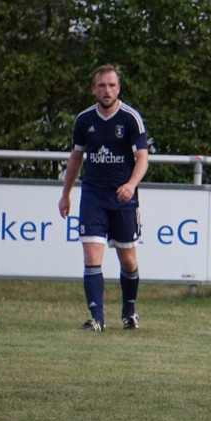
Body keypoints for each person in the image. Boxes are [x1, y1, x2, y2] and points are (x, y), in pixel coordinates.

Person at [58, 64, 149, 331]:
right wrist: (66, 194)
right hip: (94, 195)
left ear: (118, 88)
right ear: (93, 89)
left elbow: (142, 158)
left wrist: (131, 185)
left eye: (112, 85)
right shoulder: (84, 121)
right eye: (102, 85)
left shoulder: (131, 118)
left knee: (128, 260)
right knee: (91, 255)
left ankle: (129, 311)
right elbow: (76, 158)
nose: (107, 90)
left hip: (123, 198)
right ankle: (96, 318)